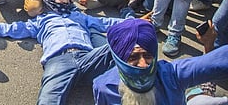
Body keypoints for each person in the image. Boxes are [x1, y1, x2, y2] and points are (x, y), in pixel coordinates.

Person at [0, 0, 133, 104]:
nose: (65, 0)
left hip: (88, 56)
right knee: (47, 101)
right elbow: (11, 29)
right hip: (58, 61)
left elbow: (106, 23)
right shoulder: (42, 20)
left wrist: (135, 23)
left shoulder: (79, 16)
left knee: (121, 47)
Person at [92, 18, 228, 105]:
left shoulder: (171, 75)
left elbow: (217, 62)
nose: (143, 65)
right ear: (118, 60)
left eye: (148, 55)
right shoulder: (104, 87)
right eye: (133, 58)